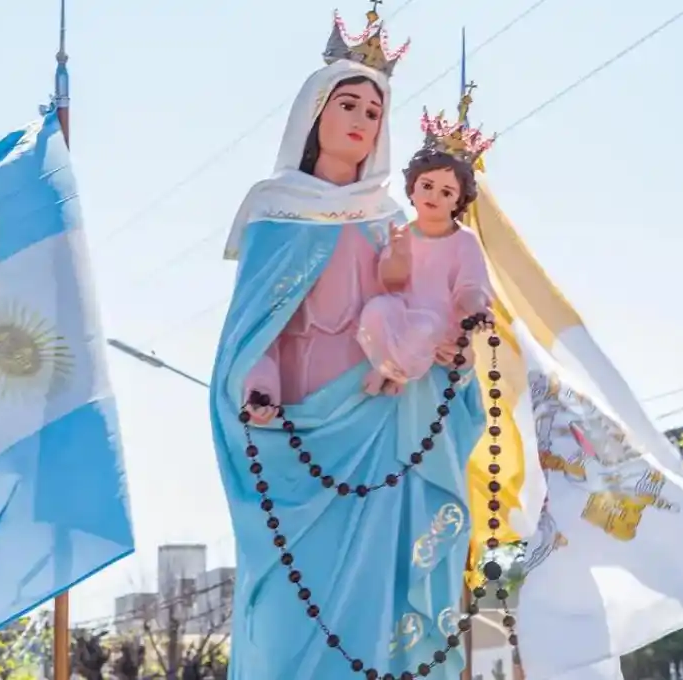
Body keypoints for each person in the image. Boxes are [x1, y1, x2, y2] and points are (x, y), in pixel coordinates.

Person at [210, 8, 490, 678]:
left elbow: (421, 302)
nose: (363, 119)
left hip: (382, 427)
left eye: (374, 109)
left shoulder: (389, 220)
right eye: (349, 103)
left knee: (380, 607)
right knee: (285, 619)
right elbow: (256, 325)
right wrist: (260, 389)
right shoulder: (275, 211)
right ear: (314, 115)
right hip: (301, 431)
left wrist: (444, 349)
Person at [357, 107, 495, 396]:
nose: (434, 196)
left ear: (458, 201)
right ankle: (386, 366)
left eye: (446, 192)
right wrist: (398, 255)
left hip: (440, 323)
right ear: (412, 188)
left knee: (425, 326)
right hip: (401, 313)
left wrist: (477, 310)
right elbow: (389, 283)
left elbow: (471, 287)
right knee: (376, 310)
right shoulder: (402, 234)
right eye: (427, 186)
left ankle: (395, 374)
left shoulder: (463, 241)